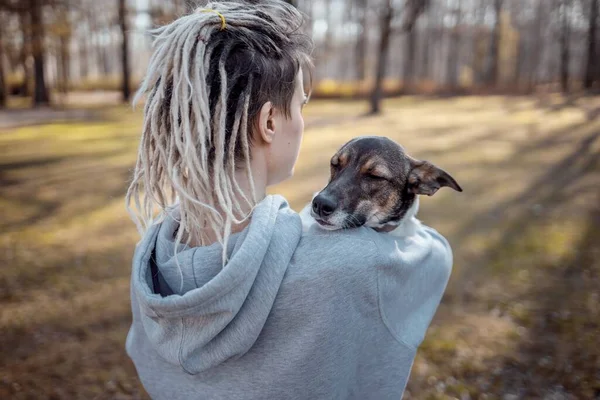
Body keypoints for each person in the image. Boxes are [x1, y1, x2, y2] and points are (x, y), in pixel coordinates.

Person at [125, 1, 452, 399]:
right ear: (268, 123)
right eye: (300, 106)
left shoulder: (150, 261)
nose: (301, 121)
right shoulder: (360, 262)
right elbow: (434, 255)